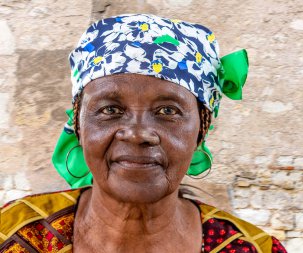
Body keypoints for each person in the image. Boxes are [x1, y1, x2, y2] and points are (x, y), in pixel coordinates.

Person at [0, 14, 287, 253]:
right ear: (77, 125)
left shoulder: (251, 249)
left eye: (168, 111)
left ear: (201, 130)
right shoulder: (12, 234)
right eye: (110, 110)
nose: (138, 134)